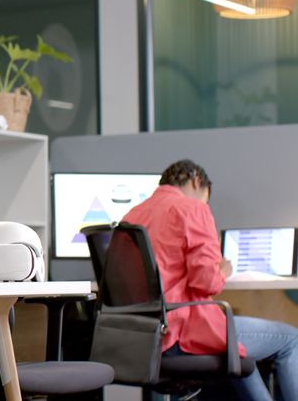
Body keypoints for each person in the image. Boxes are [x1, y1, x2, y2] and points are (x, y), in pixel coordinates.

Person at [124, 159, 298, 401]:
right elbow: (207, 283)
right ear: (197, 181)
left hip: (140, 337)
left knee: (238, 352)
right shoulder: (192, 209)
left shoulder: (132, 215)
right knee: (291, 339)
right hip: (180, 331)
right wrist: (223, 270)